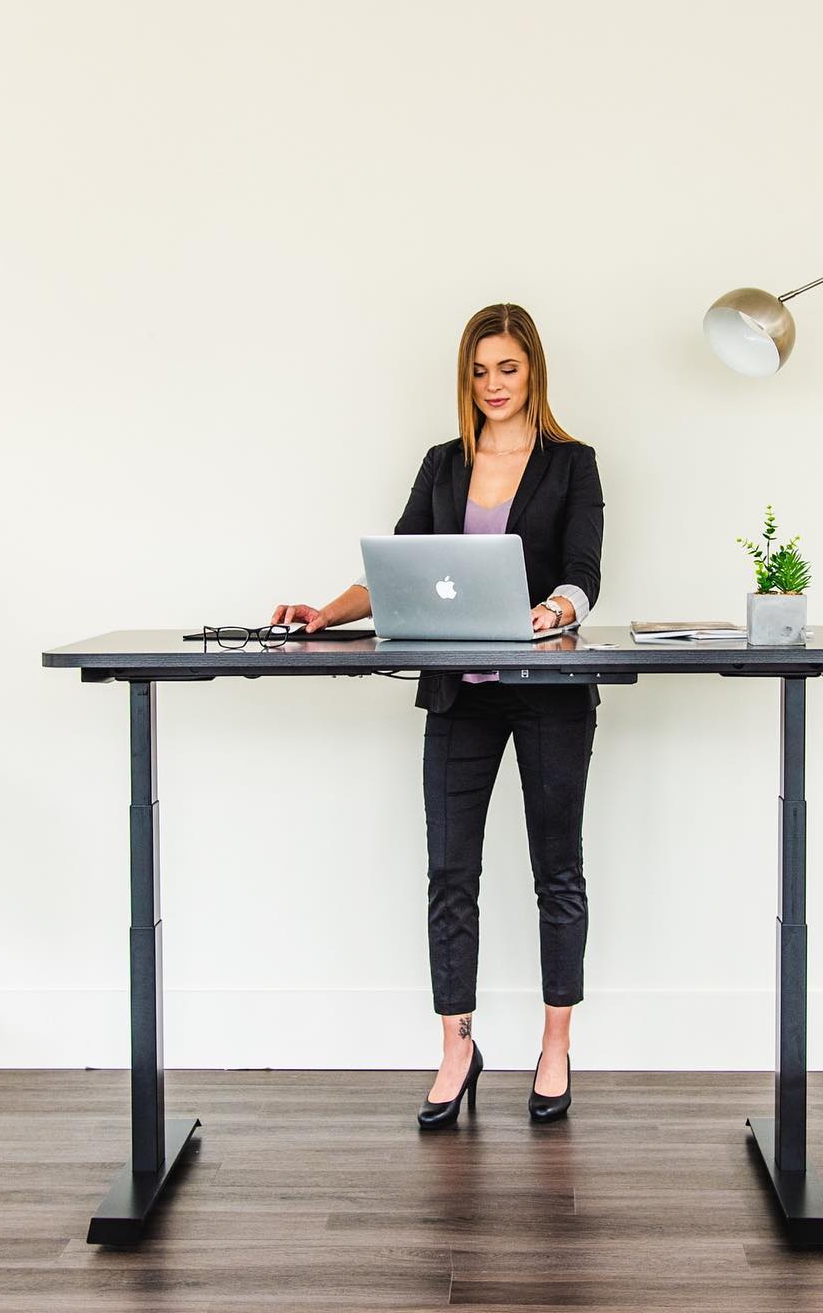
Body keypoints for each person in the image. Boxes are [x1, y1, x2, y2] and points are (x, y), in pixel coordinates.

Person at [272, 302, 605, 1129]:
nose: (493, 385)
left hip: (549, 695)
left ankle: (555, 1046)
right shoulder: (443, 463)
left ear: (533, 371)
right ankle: (458, 1047)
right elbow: (399, 568)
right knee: (450, 872)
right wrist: (326, 611)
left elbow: (583, 571)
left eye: (508, 368)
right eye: (480, 370)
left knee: (555, 870)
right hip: (460, 693)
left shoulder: (573, 463)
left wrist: (555, 610)